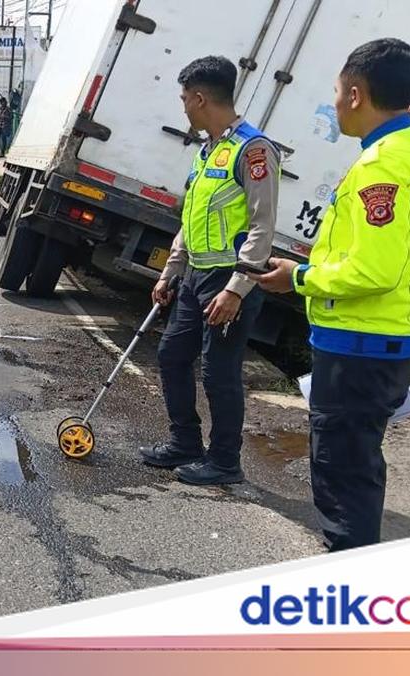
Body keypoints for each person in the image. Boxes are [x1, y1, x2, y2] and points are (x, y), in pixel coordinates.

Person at [252, 39, 410, 551]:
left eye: (338, 91)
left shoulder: (381, 165)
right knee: (358, 468)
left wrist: (299, 278)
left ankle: (348, 594)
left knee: (342, 477)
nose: (335, 102)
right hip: (387, 341)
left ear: (356, 94)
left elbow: (373, 269)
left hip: (359, 345)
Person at [139, 55, 279, 486]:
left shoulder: (254, 150)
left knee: (219, 372)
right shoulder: (208, 151)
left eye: (185, 99)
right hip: (196, 276)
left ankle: (224, 462)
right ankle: (184, 443)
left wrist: (237, 289)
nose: (183, 107)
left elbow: (262, 226)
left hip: (229, 282)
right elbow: (192, 219)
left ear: (200, 98)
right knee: (172, 355)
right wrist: (169, 272)